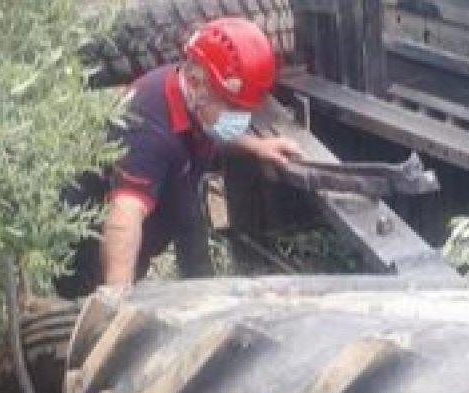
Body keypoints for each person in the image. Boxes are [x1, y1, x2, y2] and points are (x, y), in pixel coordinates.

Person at [55, 16, 302, 298]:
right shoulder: (148, 129)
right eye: (233, 108)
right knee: (98, 306)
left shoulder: (194, 97)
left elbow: (215, 127)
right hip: (95, 247)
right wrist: (114, 298)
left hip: (172, 195)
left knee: (193, 250)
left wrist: (258, 146)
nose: (239, 118)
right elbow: (124, 216)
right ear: (196, 84)